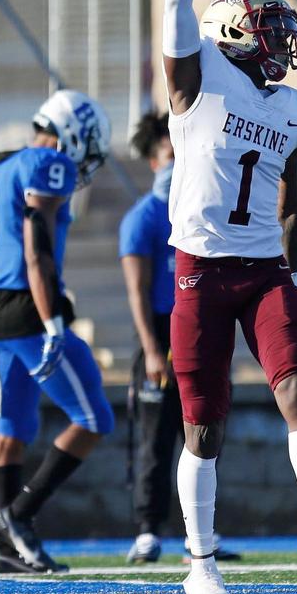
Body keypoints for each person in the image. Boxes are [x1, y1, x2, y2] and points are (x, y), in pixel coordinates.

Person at [162, 0, 297, 594]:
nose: (282, 43)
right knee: (203, 424)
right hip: (199, 270)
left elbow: (290, 197)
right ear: (233, 32)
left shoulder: (294, 110)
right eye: (269, 29)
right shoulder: (197, 78)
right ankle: (200, 563)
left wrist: (294, 273)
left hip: (264, 269)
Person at [0, 89, 115, 575]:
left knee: (12, 431)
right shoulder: (48, 164)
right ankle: (18, 516)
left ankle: (5, 550)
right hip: (29, 310)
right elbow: (36, 249)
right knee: (94, 418)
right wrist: (53, 319)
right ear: (69, 133)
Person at [120, 111, 240, 565]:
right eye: (169, 155)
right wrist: (152, 350)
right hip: (162, 332)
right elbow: (137, 290)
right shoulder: (143, 218)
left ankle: (200, 533)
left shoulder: (203, 209)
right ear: (154, 162)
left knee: (206, 433)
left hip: (202, 328)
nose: (177, 163)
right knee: (156, 440)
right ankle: (148, 530)